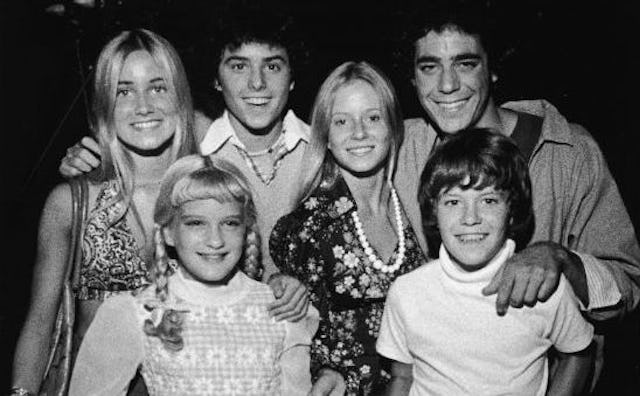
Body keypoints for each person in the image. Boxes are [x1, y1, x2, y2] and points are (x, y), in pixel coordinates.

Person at [393, 0, 640, 322]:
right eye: (429, 67)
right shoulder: (398, 148)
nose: (447, 85)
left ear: (492, 68)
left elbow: (628, 283)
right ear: (413, 77)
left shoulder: (566, 151)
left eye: (465, 64)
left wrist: (562, 261)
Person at [58, 3, 312, 288]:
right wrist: (88, 161)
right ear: (216, 78)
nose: (257, 83)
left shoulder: (326, 154)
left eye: (273, 66)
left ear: (293, 77)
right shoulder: (197, 149)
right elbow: (138, 131)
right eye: (239, 66)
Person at [10, 29, 197, 396]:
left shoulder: (209, 195)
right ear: (103, 106)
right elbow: (39, 322)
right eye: (123, 91)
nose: (143, 105)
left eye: (158, 87)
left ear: (180, 96)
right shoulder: (71, 202)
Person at [68, 155, 319, 395]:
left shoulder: (279, 308)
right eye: (196, 223)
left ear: (247, 229)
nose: (215, 240)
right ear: (167, 232)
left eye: (230, 223)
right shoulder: (139, 310)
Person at [377, 129, 594, 395]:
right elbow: (402, 376)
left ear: (512, 210)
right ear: (434, 210)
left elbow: (579, 353)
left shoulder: (542, 287)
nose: (470, 218)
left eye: (489, 200)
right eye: (453, 201)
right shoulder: (408, 291)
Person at [270, 61, 428, 396]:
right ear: (325, 137)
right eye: (342, 121)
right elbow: (296, 338)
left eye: (372, 118)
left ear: (393, 127)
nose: (359, 133)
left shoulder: (411, 199)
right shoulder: (310, 227)